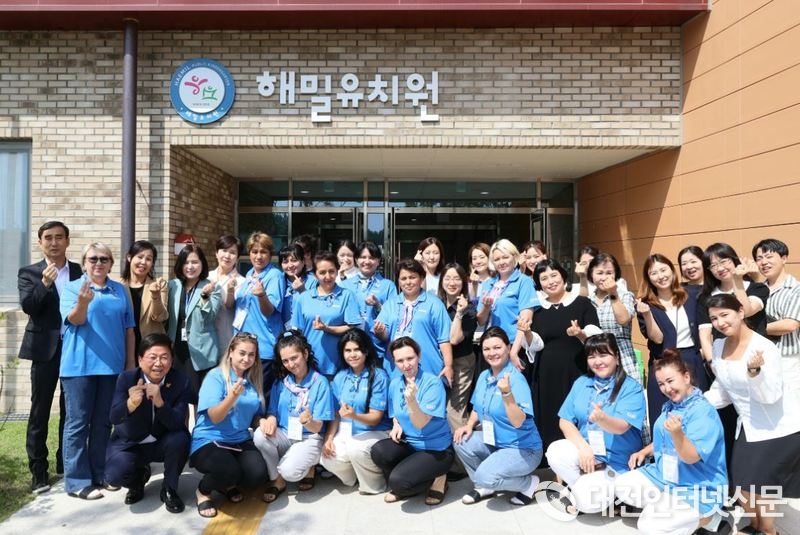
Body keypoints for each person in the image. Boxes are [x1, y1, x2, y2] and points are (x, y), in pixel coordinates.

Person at [703, 294, 800, 535]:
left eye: (724, 315)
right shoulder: (718, 346)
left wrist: (754, 373)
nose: (720, 322)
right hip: (747, 424)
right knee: (741, 484)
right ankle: (756, 525)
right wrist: (696, 403)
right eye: (714, 318)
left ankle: (768, 530)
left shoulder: (765, 347)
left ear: (740, 312)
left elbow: (771, 396)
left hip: (778, 427)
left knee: (761, 485)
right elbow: (722, 390)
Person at [615, 349, 727, 535]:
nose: (666, 388)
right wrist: (645, 451)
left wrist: (677, 433)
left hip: (697, 485)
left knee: (648, 526)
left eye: (670, 381)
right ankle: (672, 510)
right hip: (666, 475)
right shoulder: (671, 406)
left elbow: (691, 456)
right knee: (623, 486)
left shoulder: (703, 412)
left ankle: (709, 519)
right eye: (661, 384)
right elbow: (665, 439)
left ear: (686, 377)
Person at [60, 242, 136, 500]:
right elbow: (76, 320)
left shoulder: (120, 290)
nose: (98, 263)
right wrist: (82, 303)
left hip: (111, 367)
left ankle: (100, 473)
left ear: (111, 264)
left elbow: (129, 329)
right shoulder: (73, 288)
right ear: (84, 263)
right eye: (93, 259)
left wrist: (130, 364)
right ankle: (77, 481)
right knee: (78, 423)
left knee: (104, 422)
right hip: (79, 367)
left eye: (104, 259)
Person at [545, 333, 646, 514]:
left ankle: (606, 493)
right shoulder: (582, 383)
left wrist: (602, 419)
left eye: (603, 355)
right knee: (555, 451)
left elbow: (622, 426)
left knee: (586, 502)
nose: (597, 362)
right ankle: (587, 486)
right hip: (589, 454)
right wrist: (584, 448)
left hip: (617, 462)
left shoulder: (631, 388)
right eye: (592, 356)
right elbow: (565, 421)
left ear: (616, 357)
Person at [17, 220, 82, 493]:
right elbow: (28, 306)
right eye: (48, 238)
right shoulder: (29, 272)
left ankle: (65, 464)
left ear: (67, 241)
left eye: (59, 237)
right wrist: (44, 283)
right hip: (45, 351)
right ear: (40, 242)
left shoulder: (79, 271)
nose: (54, 242)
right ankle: (39, 473)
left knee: (72, 411)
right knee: (40, 411)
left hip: (75, 349)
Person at [453, 327, 543, 506]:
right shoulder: (484, 376)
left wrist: (507, 393)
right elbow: (477, 407)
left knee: (484, 475)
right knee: (461, 441)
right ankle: (485, 486)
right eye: (486, 349)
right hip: (495, 443)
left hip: (523, 449)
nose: (492, 353)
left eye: (497, 347)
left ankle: (528, 484)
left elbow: (518, 422)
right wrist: (469, 425)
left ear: (508, 348)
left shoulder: (516, 379)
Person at [105, 333, 192, 513]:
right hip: (131, 443)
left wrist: (160, 403)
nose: (158, 363)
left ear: (171, 360)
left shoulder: (180, 381)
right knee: (114, 475)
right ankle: (137, 481)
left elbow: (177, 423)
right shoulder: (126, 378)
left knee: (181, 439)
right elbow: (114, 417)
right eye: (152, 357)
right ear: (140, 359)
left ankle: (169, 488)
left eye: (164, 357)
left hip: (162, 441)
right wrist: (130, 404)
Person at [189, 332, 268, 519]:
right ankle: (203, 491)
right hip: (210, 440)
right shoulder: (215, 376)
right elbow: (215, 417)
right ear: (231, 352)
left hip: (239, 440)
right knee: (228, 470)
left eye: (251, 354)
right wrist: (232, 396)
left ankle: (227, 484)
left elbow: (253, 416)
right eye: (242, 353)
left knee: (257, 475)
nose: (246, 359)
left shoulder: (253, 380)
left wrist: (262, 420)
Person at [528, 258, 601, 452]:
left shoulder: (582, 303)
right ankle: (552, 460)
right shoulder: (537, 309)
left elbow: (595, 337)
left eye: (554, 275)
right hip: (546, 374)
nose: (550, 281)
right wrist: (526, 333)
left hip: (576, 371)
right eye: (544, 278)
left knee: (577, 414)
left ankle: (583, 456)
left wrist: (580, 334)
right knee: (550, 416)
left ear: (563, 276)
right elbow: (535, 344)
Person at [370, 337, 453, 505]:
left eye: (410, 358)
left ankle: (439, 478)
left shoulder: (433, 383)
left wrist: (412, 401)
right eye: (400, 360)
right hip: (411, 444)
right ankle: (410, 478)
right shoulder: (395, 384)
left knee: (398, 482)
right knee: (379, 452)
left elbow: (421, 423)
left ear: (419, 356)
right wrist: (396, 424)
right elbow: (395, 413)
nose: (406, 365)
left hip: (436, 450)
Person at [255, 330, 334, 501]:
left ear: (305, 353)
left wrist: (308, 421)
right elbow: (272, 412)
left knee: (290, 472)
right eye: (285, 360)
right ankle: (277, 479)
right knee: (259, 435)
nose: (290, 364)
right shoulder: (281, 382)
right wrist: (270, 419)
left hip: (310, 437)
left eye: (294, 358)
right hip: (286, 435)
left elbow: (318, 427)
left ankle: (309, 466)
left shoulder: (320, 383)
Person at [636, 254, 705, 429]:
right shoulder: (646, 305)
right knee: (664, 420)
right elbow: (657, 338)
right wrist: (647, 314)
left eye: (663, 270)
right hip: (663, 364)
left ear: (672, 271)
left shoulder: (691, 295)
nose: (660, 276)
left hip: (692, 360)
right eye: (654, 273)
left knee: (697, 418)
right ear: (648, 278)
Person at [320, 328, 391, 495]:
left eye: (357, 349)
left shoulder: (379, 376)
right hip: (347, 429)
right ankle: (356, 476)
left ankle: (374, 486)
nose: (352, 355)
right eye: (348, 350)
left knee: (355, 448)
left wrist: (354, 415)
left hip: (375, 430)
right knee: (327, 457)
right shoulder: (340, 377)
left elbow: (375, 418)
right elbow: (337, 414)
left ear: (366, 351)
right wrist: (329, 438)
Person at [373, 258, 453, 384]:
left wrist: (448, 366)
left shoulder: (434, 304)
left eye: (412, 277)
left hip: (428, 369)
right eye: (403, 278)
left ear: (421, 278)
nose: (408, 282)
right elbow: (385, 336)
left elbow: (444, 339)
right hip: (396, 372)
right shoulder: (390, 304)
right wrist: (380, 332)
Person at [290, 251, 361, 377]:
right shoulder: (303, 298)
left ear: (337, 271)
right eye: (322, 272)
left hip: (338, 366)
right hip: (309, 366)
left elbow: (352, 327)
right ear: (315, 274)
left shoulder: (347, 295)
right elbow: (297, 333)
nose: (327, 276)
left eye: (331, 271)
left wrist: (327, 328)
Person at [166, 244, 221, 401]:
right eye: (186, 262)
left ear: (202, 264)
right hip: (177, 348)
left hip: (202, 351)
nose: (190, 266)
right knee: (177, 396)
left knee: (200, 397)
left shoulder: (212, 287)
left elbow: (209, 318)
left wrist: (204, 297)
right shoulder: (172, 285)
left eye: (195, 262)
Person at [233, 231, 286, 394]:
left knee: (260, 396)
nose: (258, 256)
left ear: (271, 254)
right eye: (254, 252)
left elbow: (269, 311)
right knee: (246, 394)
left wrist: (262, 295)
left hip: (264, 348)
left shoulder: (274, 276)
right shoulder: (249, 274)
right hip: (245, 347)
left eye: (263, 252)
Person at [476, 239, 538, 371]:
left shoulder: (524, 282)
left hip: (514, 346)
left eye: (505, 257)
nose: (501, 262)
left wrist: (514, 352)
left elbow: (526, 320)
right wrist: (486, 307)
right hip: (491, 348)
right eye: (497, 259)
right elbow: (481, 321)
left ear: (514, 257)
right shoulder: (488, 284)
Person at [340, 241, 397, 370]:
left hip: (378, 348)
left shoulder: (388, 286)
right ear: (356, 260)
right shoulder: (345, 285)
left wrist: (377, 305)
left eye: (371, 258)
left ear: (378, 261)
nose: (367, 261)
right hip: (352, 348)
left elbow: (394, 316)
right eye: (363, 257)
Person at [753, 238, 800, 390]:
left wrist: (752, 330)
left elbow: (790, 325)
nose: (763, 262)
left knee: (789, 401)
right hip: (760, 359)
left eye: (769, 257)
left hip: (787, 361)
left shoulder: (796, 289)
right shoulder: (757, 290)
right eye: (759, 258)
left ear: (784, 258)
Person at [586, 253, 640, 384]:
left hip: (621, 356)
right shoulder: (587, 300)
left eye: (609, 273)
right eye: (599, 273)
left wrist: (612, 293)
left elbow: (623, 320)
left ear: (616, 275)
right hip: (596, 360)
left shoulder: (625, 295)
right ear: (591, 274)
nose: (604, 277)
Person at [438, 262, 478, 429]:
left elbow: (454, 339)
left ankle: (460, 444)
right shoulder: (436, 304)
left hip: (461, 363)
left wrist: (459, 313)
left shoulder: (469, 310)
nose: (452, 283)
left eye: (456, 279)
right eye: (447, 278)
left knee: (454, 410)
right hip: (438, 362)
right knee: (438, 407)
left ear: (463, 282)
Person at [119, 240, 168, 352]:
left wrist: (155, 296)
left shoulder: (159, 284)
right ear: (129, 257)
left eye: (148, 259)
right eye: (140, 257)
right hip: (123, 345)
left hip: (151, 347)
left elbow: (160, 317)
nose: (143, 262)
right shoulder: (117, 285)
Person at [207, 234, 245, 350]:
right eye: (224, 250)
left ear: (237, 257)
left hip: (226, 336)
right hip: (205, 338)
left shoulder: (242, 282)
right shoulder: (207, 277)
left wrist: (230, 291)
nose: (227, 256)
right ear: (216, 253)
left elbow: (230, 306)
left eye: (232, 252)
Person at [279, 243, 316, 329]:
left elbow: (316, 308)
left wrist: (303, 291)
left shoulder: (313, 281)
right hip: (282, 332)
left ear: (303, 262)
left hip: (305, 331)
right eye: (285, 262)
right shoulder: (278, 280)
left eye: (294, 260)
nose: (290, 265)